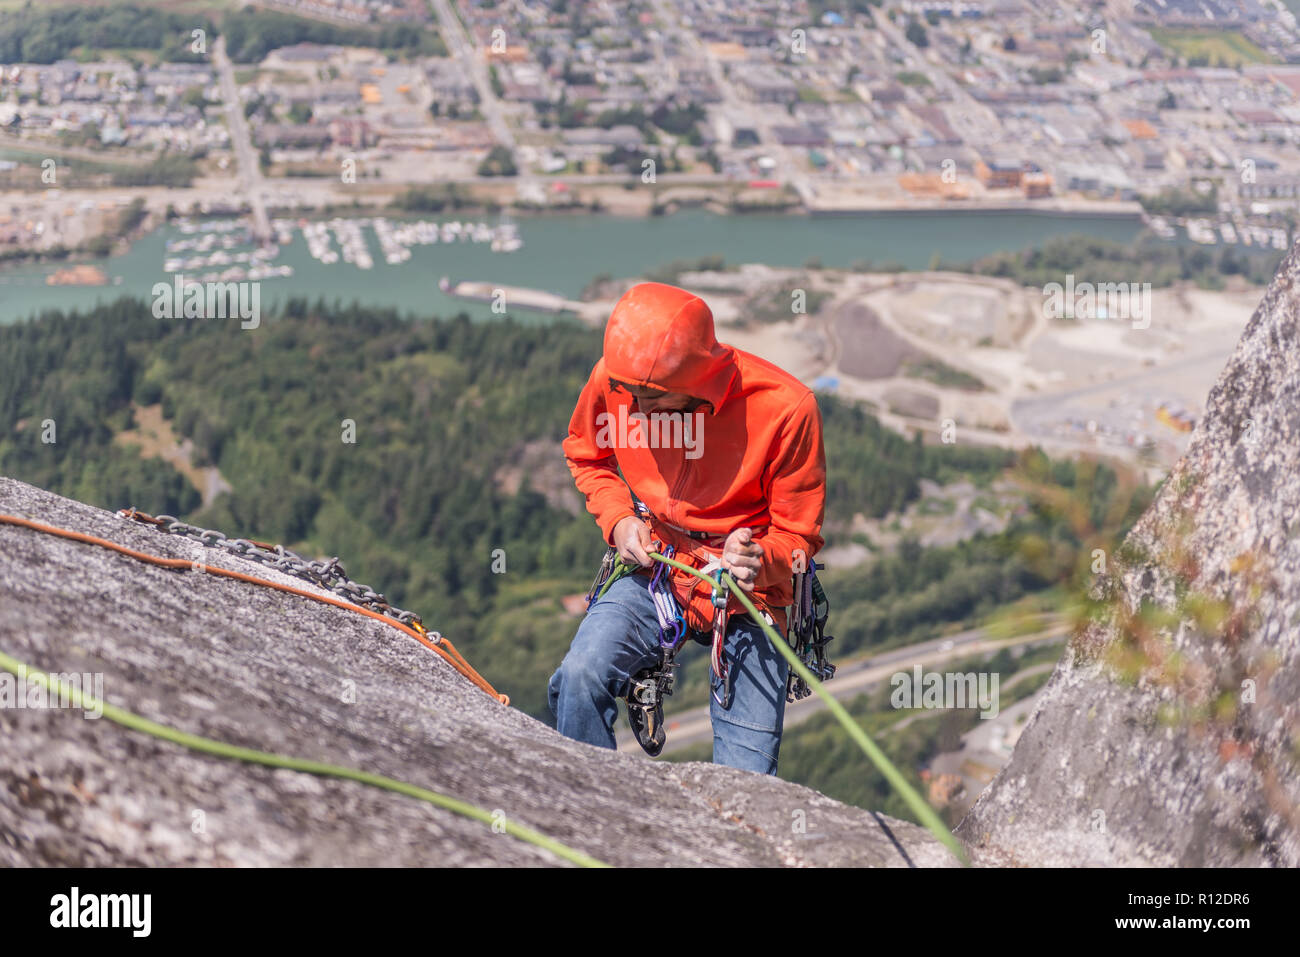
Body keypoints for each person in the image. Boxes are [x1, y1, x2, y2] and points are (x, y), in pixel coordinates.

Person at [548, 281, 826, 774]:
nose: (634, 409)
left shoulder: (786, 409)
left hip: (751, 593)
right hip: (658, 563)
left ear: (698, 380)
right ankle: (586, 808)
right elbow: (589, 456)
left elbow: (798, 539)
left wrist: (759, 559)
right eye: (627, 394)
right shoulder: (617, 380)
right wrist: (619, 522)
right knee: (579, 676)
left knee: (748, 773)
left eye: (651, 397)